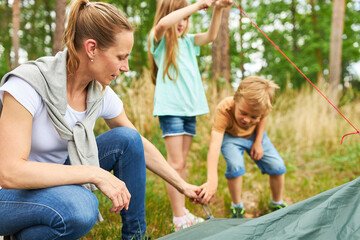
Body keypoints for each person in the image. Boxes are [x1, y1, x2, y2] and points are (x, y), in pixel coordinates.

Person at [0, 0, 202, 239]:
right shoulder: (28, 85)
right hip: (8, 195)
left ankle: (136, 236)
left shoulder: (98, 92)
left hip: (50, 185)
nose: (126, 67)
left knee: (127, 139)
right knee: (80, 207)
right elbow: (10, 173)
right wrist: (95, 174)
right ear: (92, 48)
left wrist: (182, 185)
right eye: (120, 57)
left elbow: (139, 145)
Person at [147, 0, 233, 231]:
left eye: (185, 18)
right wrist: (197, 5)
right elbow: (164, 22)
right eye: (179, 16)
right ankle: (178, 219)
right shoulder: (160, 40)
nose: (182, 22)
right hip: (171, 110)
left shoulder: (188, 41)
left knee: (182, 163)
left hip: (189, 110)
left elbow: (212, 35)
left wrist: (217, 8)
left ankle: (182, 210)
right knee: (175, 164)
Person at [199, 76, 287, 218]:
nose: (247, 120)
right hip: (231, 137)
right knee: (235, 166)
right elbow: (214, 146)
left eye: (253, 116)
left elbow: (262, 118)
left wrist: (258, 142)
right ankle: (237, 207)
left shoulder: (262, 107)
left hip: (255, 136)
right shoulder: (224, 109)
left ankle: (276, 203)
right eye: (243, 113)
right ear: (235, 99)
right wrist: (212, 180)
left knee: (278, 166)